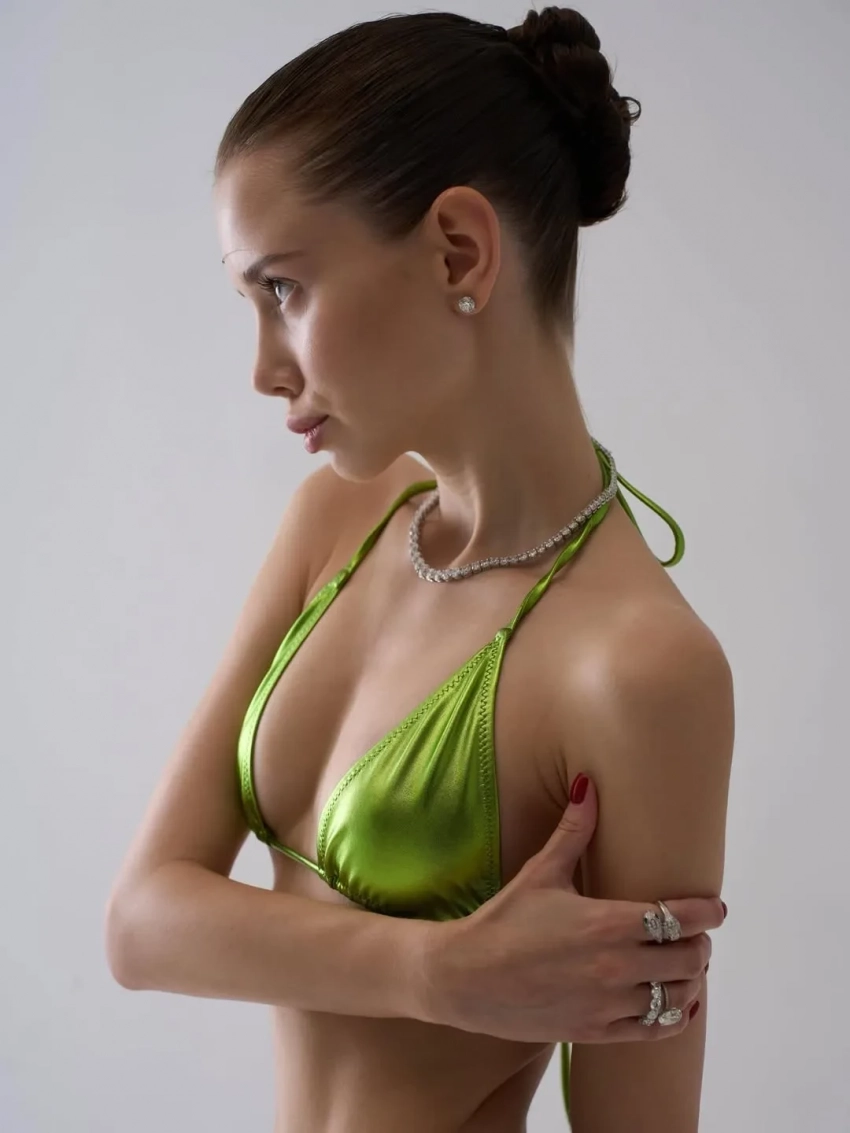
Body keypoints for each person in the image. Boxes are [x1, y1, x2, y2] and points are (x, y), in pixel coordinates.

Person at [105, 7, 734, 1131]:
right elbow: (142, 925)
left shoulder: (639, 669)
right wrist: (438, 970)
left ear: (459, 251)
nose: (262, 369)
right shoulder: (337, 523)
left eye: (283, 290)